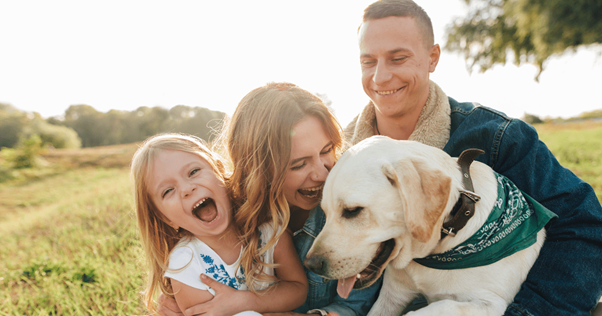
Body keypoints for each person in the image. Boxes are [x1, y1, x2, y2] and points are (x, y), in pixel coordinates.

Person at [345, 1, 602, 315]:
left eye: (398, 58)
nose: (381, 76)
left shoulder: (498, 139)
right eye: (368, 61)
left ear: (432, 58)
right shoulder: (336, 158)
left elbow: (585, 225)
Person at [158, 83, 382, 316]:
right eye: (299, 164)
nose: (323, 174)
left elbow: (354, 306)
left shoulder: (355, 209)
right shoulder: (225, 218)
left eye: (326, 150)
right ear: (260, 171)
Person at [131, 133, 307, 315]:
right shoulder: (185, 263)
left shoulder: (268, 230)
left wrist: (247, 302)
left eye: (193, 172)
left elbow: (298, 290)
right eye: (168, 191)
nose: (186, 189)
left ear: (219, 171)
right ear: (166, 219)